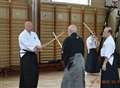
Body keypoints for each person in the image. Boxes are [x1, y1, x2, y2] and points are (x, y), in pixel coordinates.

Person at [18, 21, 42, 88]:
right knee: (27, 74)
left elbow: (38, 42)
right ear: (25, 26)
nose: (30, 27)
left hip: (33, 55)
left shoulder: (34, 34)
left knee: (35, 73)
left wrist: (39, 47)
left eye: (31, 26)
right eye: (29, 26)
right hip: (26, 56)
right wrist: (35, 48)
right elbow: (27, 44)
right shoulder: (22, 35)